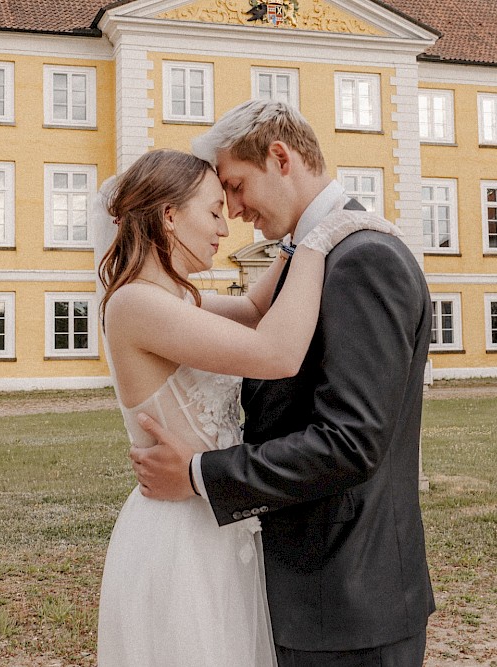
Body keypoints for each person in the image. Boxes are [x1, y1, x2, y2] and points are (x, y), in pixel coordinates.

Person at [131, 100, 437, 666]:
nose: (234, 210)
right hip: (308, 592)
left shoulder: (362, 257)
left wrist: (199, 473)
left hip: (347, 598)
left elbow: (351, 442)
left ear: (279, 157)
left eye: (236, 186)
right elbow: (251, 318)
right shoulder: (313, 252)